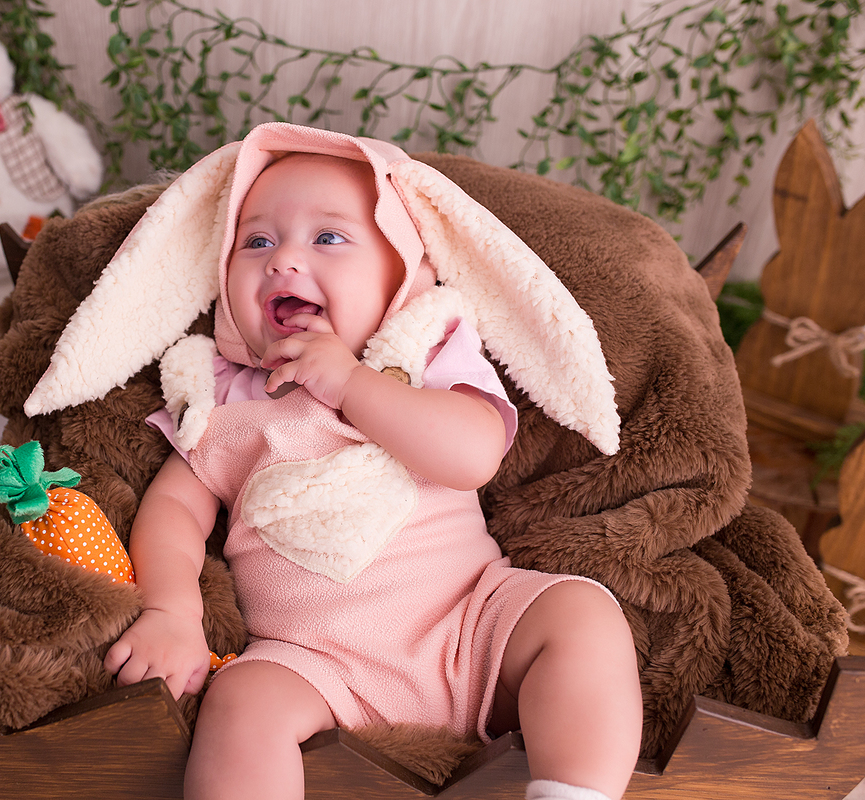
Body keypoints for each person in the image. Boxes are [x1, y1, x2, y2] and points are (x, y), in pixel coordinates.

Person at [99, 124, 641, 800]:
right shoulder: (220, 394)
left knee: (581, 615)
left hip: (469, 627)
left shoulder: (417, 353)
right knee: (238, 701)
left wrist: (355, 385)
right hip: (313, 663)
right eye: (256, 241)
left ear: (400, 273)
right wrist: (173, 611)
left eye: (328, 238)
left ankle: (573, 792)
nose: (283, 261)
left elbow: (473, 454)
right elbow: (174, 508)